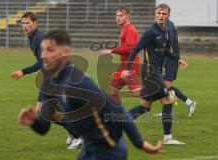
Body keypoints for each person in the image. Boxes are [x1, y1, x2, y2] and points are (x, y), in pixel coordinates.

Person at [18, 30, 163, 160]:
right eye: (42, 50)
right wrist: (33, 122)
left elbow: (118, 110)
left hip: (109, 150)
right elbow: (43, 128)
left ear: (66, 52)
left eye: (50, 50)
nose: (43, 55)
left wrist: (140, 144)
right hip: (89, 149)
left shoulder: (78, 83)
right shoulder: (48, 83)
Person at [11, 12, 82, 149]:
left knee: (46, 112)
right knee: (47, 111)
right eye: (23, 23)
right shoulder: (33, 36)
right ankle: (74, 133)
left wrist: (23, 71)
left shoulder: (38, 38)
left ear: (35, 23)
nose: (24, 26)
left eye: (27, 23)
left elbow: (41, 62)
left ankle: (78, 135)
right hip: (50, 76)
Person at [122, 3, 187, 145]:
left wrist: (178, 60)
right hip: (151, 73)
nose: (161, 16)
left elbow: (164, 51)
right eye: (159, 13)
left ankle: (117, 124)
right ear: (155, 14)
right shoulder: (150, 32)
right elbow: (134, 50)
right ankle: (168, 138)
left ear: (168, 16)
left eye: (164, 14)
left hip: (153, 73)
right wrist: (127, 69)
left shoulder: (165, 32)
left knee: (144, 107)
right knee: (168, 100)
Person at [99, 6, 140, 104]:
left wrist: (112, 50)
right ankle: (119, 113)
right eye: (117, 15)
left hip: (131, 65)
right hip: (124, 65)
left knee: (136, 93)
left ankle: (163, 94)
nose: (118, 18)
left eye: (121, 15)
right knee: (113, 90)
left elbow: (130, 49)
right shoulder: (125, 29)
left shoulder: (130, 30)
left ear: (127, 16)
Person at [163, 20, 197, 118]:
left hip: (169, 60)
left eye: (163, 13)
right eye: (157, 13)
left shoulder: (168, 26)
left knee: (166, 87)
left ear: (168, 14)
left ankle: (189, 103)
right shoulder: (168, 25)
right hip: (167, 59)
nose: (159, 15)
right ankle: (189, 103)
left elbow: (168, 45)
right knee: (164, 86)